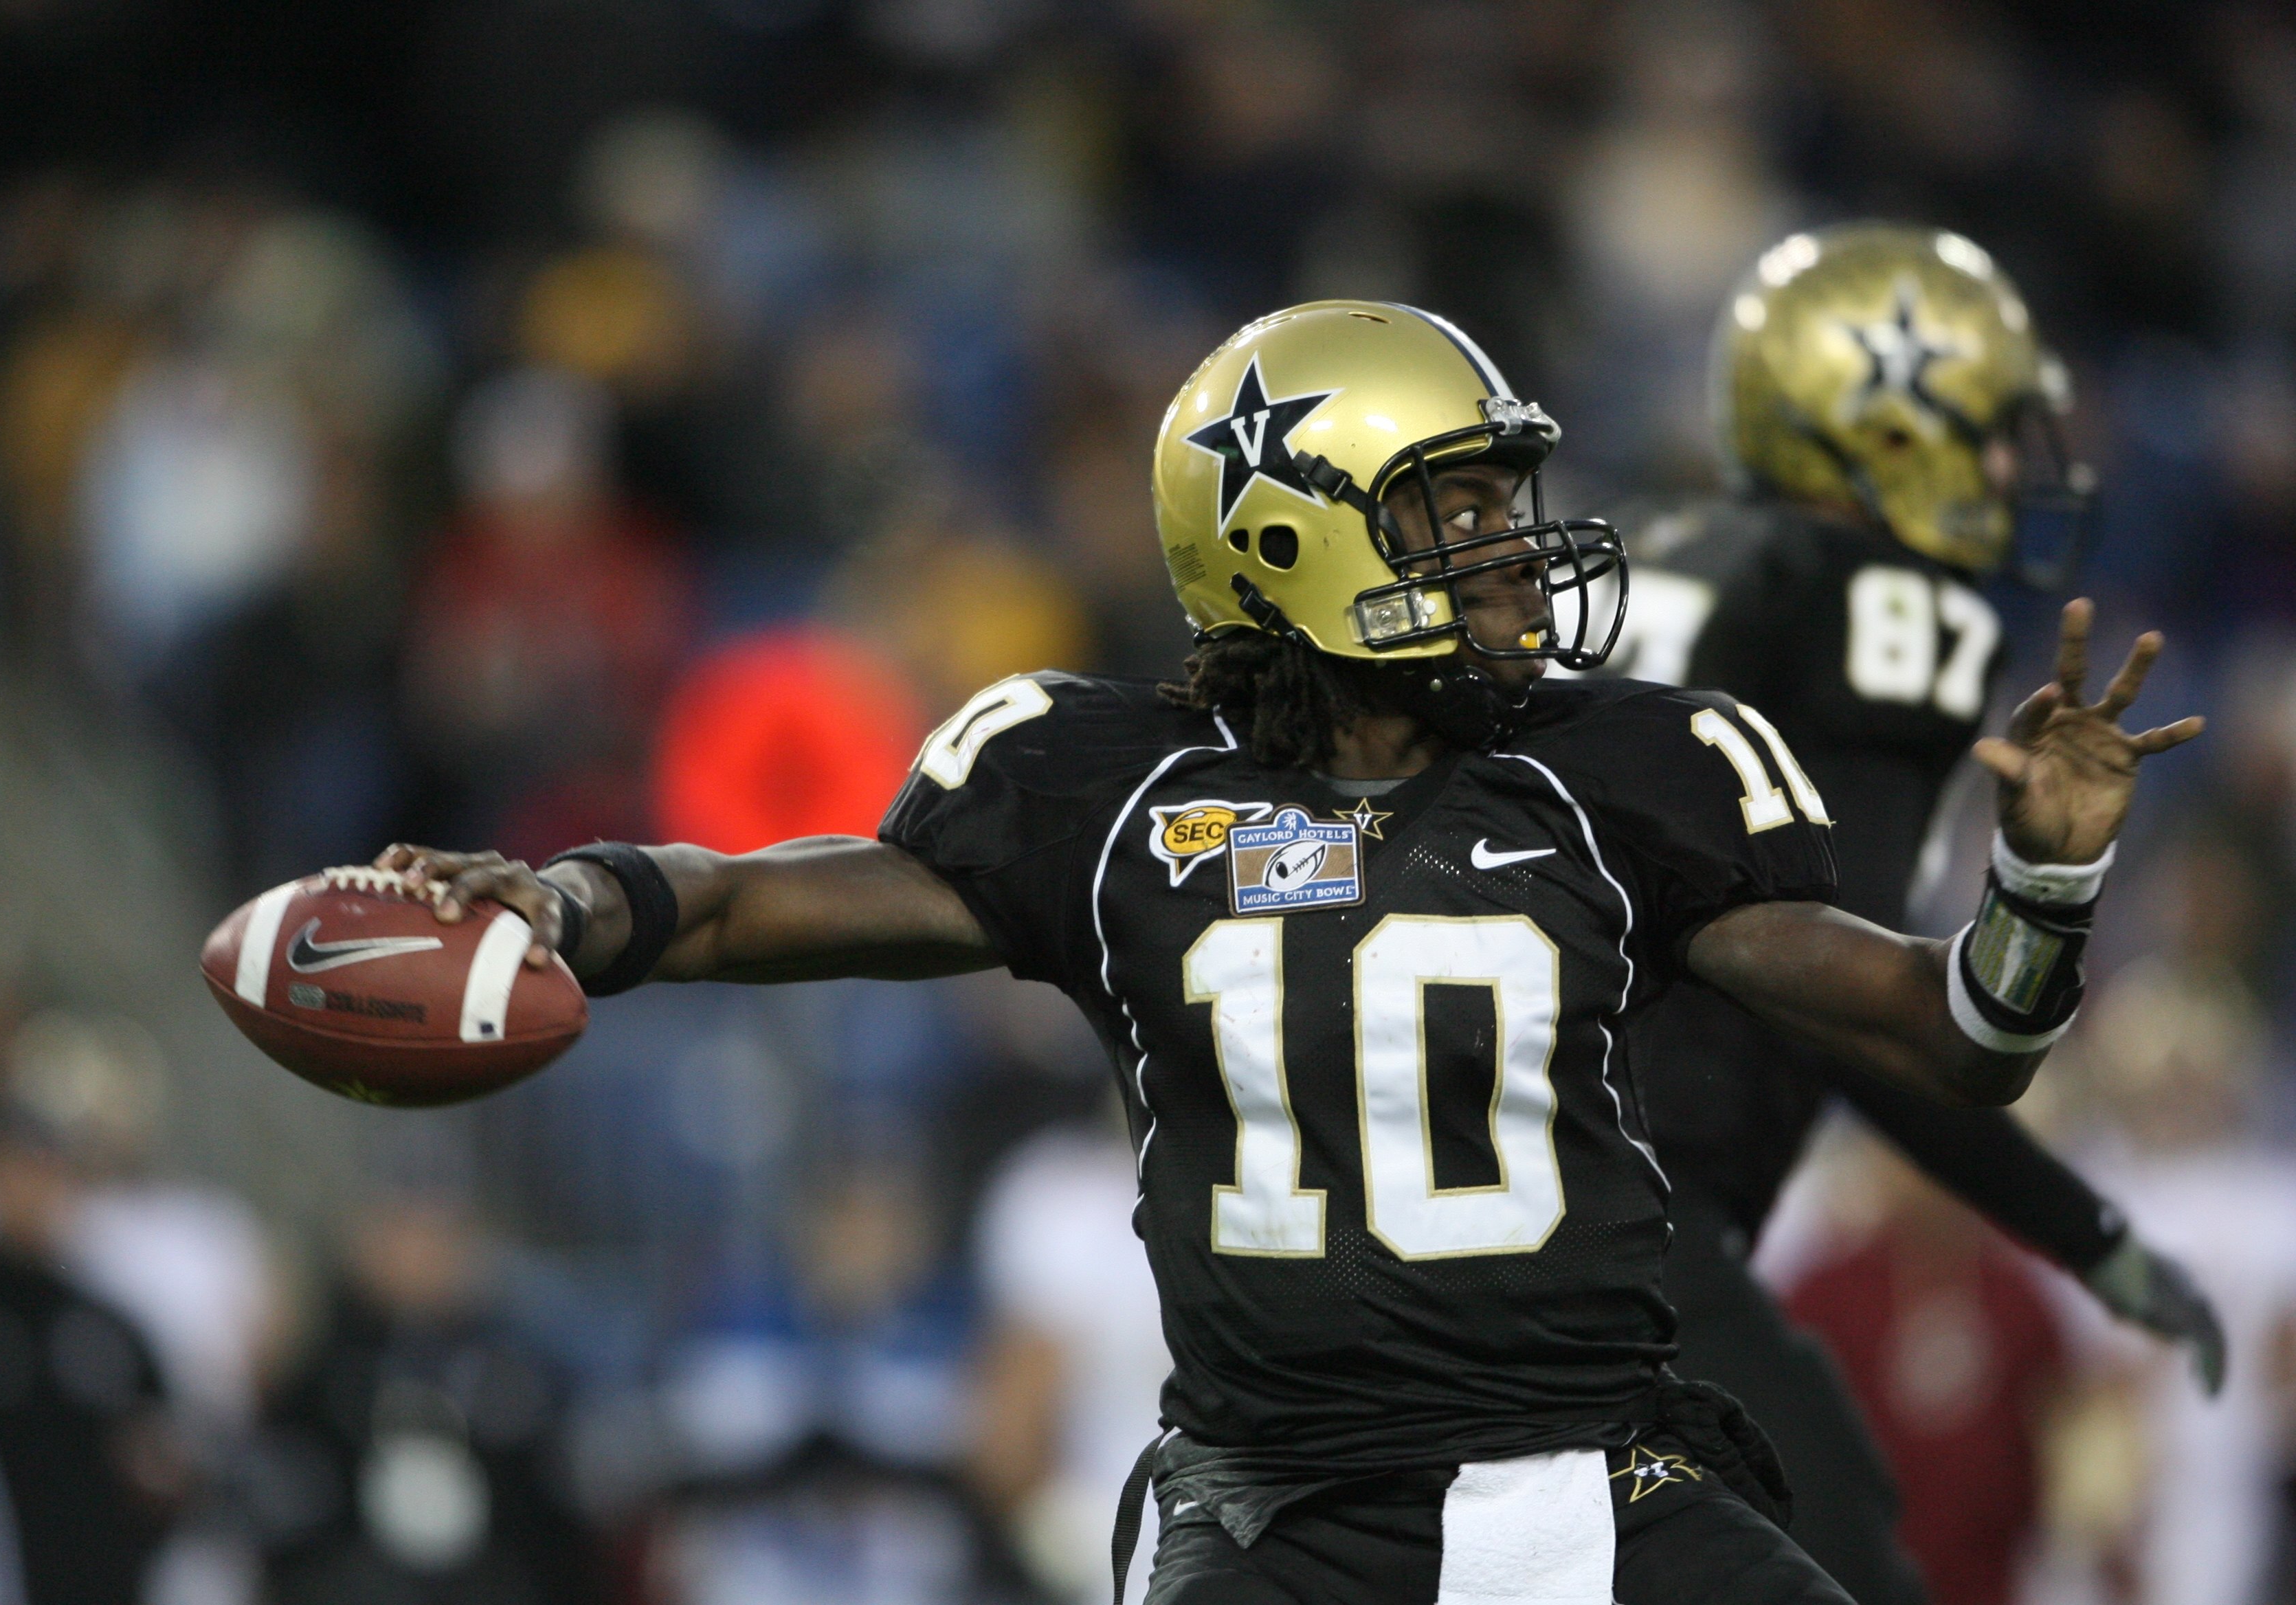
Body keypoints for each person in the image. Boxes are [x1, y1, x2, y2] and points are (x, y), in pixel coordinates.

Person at [377, 301, 2200, 1605]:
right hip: (1281, 1528)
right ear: (1291, 530)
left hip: (1600, 1493)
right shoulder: (1100, 789)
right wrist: (559, 903)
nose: (1509, 551)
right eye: (1455, 511)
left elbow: (1956, 1039)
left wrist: (2042, 886)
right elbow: (745, 901)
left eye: (1501, 506)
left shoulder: (1623, 771)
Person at [1593, 224, 2226, 1605]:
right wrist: (2086, 1231)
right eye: (1990, 431)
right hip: (1625, 1224)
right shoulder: (1878, 603)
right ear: (1883, 432)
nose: (2013, 468)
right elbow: (1856, 999)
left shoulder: (1642, 549)